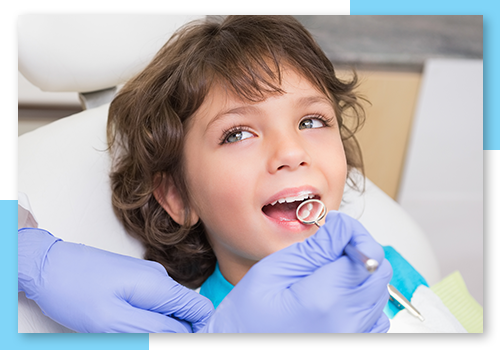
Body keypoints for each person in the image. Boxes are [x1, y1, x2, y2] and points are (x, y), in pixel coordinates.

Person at [106, 15, 391, 332]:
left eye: (311, 122)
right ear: (178, 196)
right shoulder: (209, 325)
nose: (292, 153)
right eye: (237, 135)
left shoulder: (384, 266)